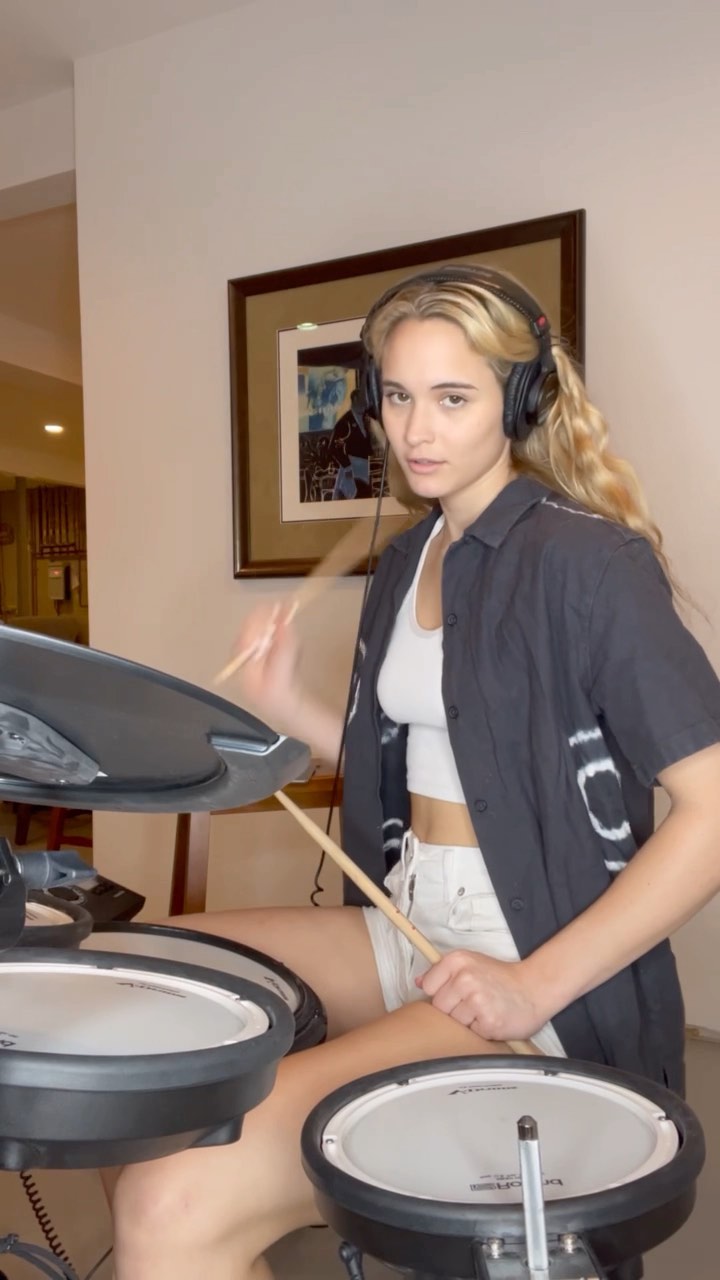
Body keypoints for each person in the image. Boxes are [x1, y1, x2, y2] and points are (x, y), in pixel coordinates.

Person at [107, 265, 720, 1280]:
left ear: (519, 401)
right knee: (138, 989)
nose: (415, 430)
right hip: (410, 918)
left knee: (168, 1195)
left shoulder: (587, 563)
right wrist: (286, 701)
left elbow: (712, 809)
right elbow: (435, 756)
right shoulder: (408, 558)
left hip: (533, 954)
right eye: (396, 396)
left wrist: (530, 986)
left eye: (452, 397)